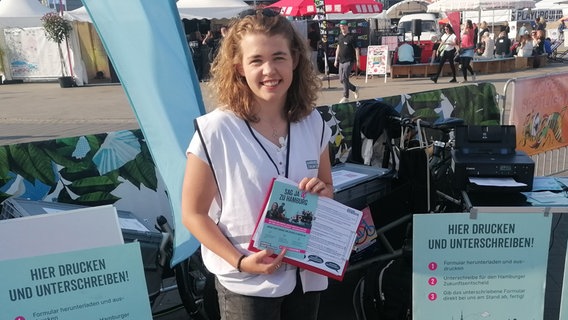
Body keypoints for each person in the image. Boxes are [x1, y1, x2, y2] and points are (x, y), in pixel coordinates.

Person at [181, 8, 333, 320]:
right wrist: (238, 261)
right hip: (248, 284)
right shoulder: (216, 130)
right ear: (238, 67)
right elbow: (193, 214)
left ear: (294, 60)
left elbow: (328, 189)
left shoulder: (312, 122)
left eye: (278, 57)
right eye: (256, 61)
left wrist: (321, 191)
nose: (269, 70)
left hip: (306, 277)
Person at [334, 20, 360, 103]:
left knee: (345, 78)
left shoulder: (351, 37)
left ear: (347, 27)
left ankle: (346, 97)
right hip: (341, 61)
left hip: (349, 61)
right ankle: (354, 89)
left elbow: (356, 49)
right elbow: (338, 48)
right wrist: (336, 59)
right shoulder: (340, 36)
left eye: (344, 27)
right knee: (342, 80)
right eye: (341, 27)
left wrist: (358, 60)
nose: (342, 28)